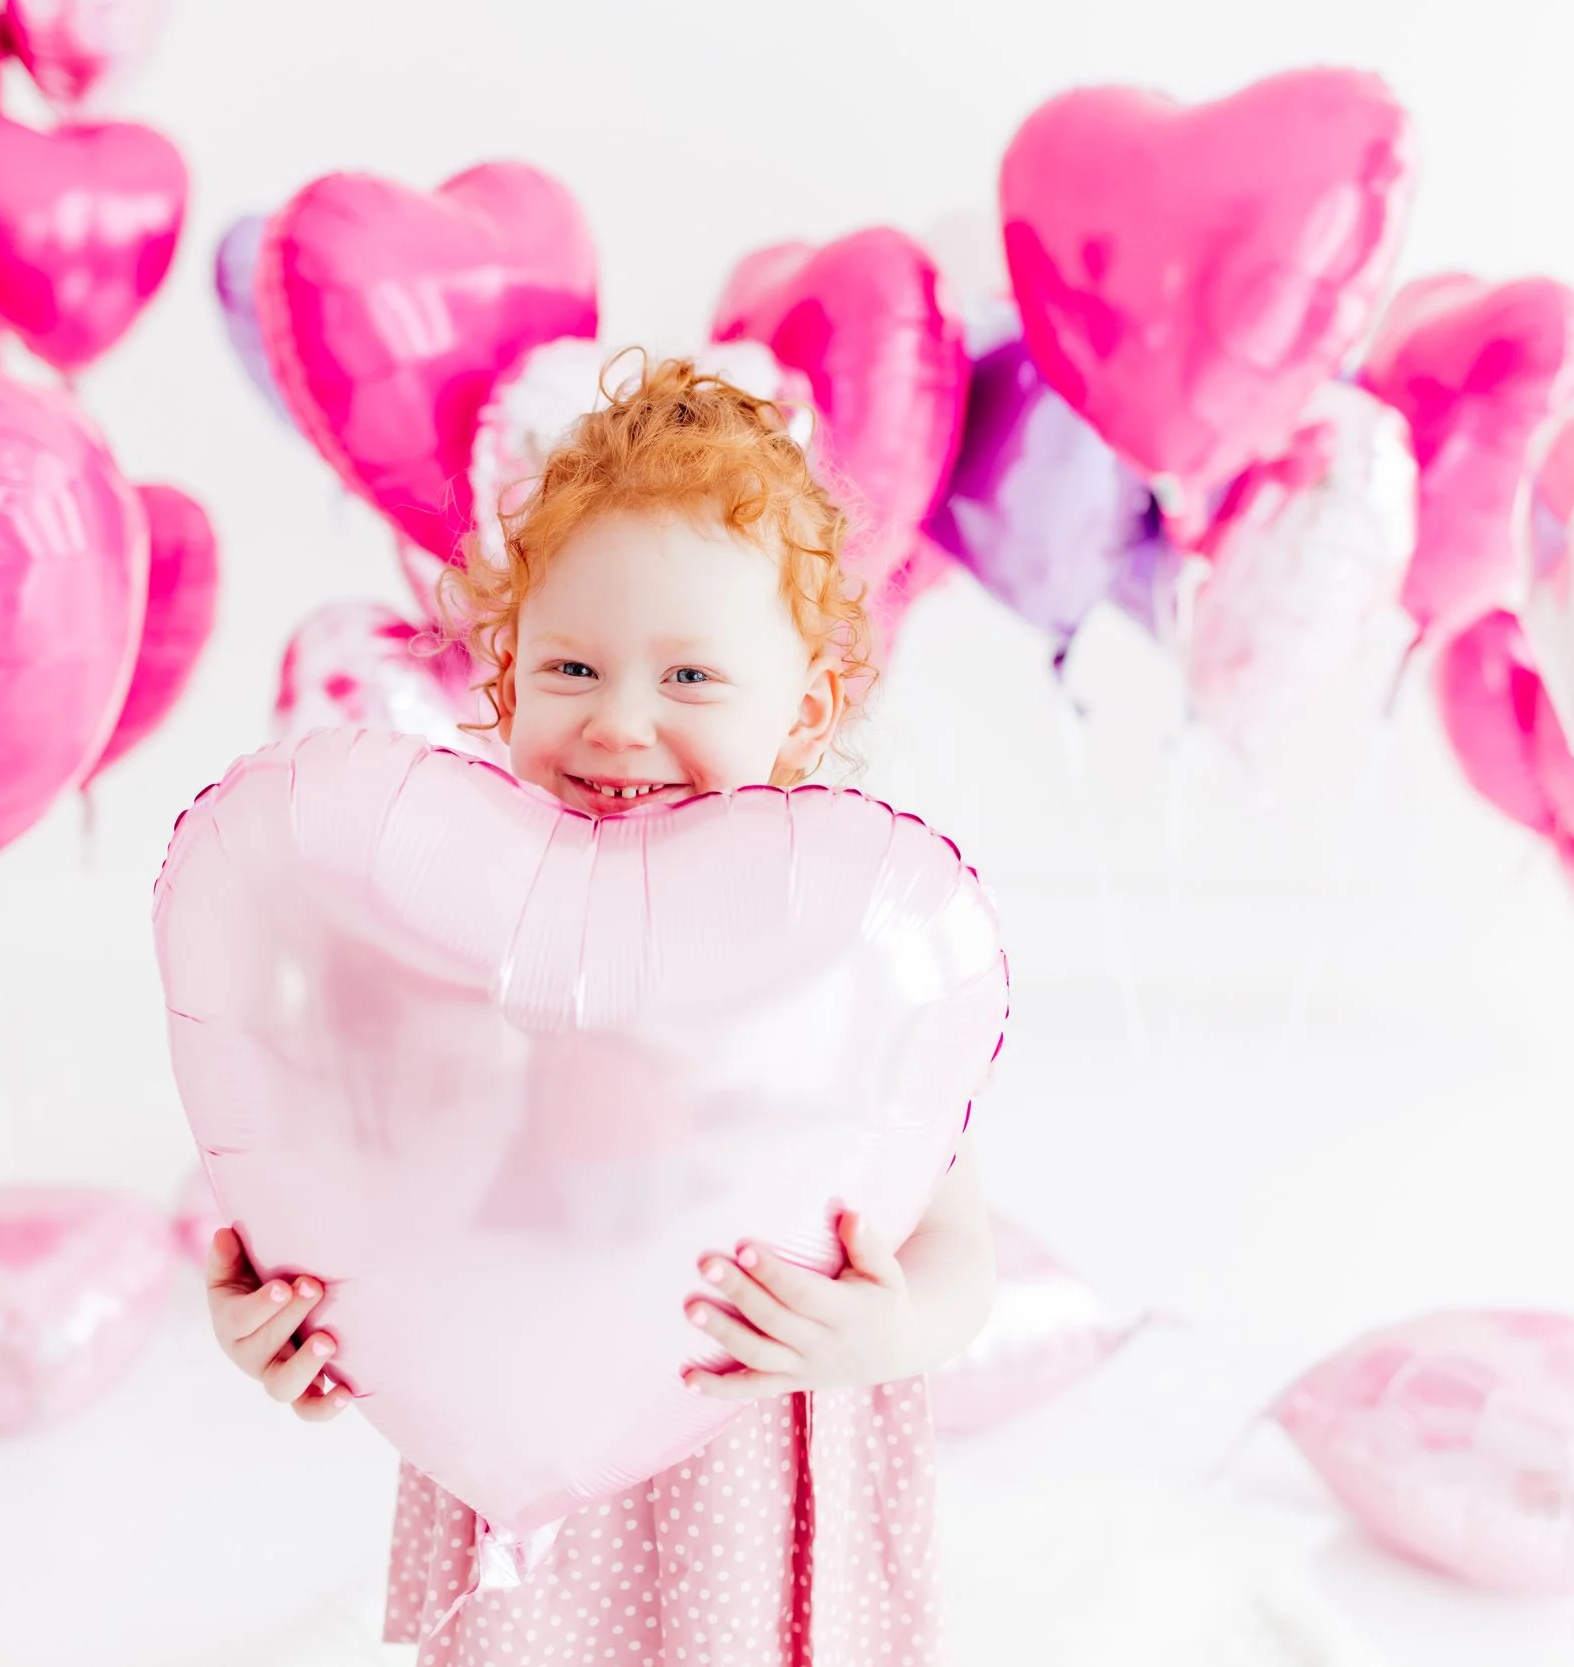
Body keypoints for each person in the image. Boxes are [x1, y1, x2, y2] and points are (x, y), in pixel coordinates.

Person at [203, 354, 995, 1665]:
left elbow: (957, 1234)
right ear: (505, 680)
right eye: (572, 665)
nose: (620, 722)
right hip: (524, 1445)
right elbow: (364, 1177)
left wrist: (896, 1323)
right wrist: (285, 1310)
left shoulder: (837, 944)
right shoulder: (452, 918)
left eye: (690, 679)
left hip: (756, 1448)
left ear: (804, 709)